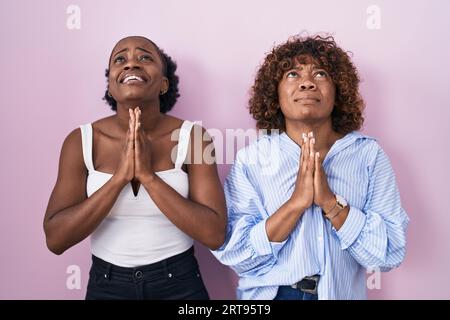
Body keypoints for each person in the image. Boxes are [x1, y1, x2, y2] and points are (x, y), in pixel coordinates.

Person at [212, 35, 409, 300]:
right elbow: (239, 255)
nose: (307, 83)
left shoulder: (368, 156)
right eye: (293, 74)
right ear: (275, 92)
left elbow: (388, 253)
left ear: (338, 90)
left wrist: (330, 203)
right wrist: (296, 204)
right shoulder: (252, 159)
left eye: (320, 74)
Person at [43, 36, 226, 300]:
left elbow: (214, 234)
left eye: (145, 57)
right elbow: (56, 239)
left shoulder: (194, 138)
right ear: (110, 85)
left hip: (180, 284)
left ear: (163, 84)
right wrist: (119, 178)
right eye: (120, 59)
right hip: (106, 286)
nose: (131, 64)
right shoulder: (80, 141)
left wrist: (148, 177)